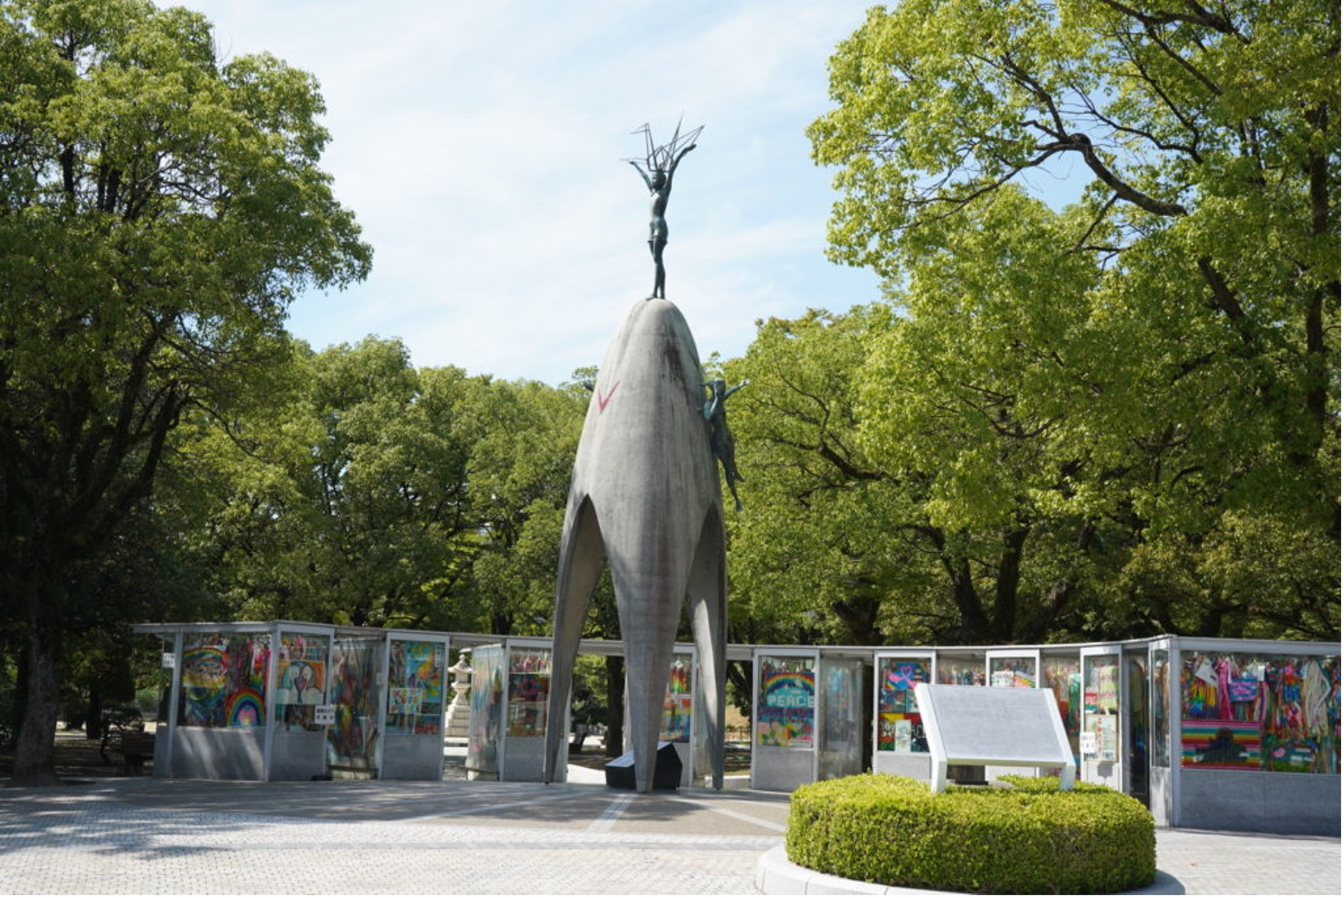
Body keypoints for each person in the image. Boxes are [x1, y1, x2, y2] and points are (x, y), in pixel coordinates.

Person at [629, 141, 695, 298]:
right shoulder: (652, 191)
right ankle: (662, 293)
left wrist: (683, 152)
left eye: (656, 178)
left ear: (662, 180)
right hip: (650, 229)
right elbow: (644, 176)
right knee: (656, 260)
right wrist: (634, 165)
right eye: (653, 178)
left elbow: (672, 170)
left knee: (658, 260)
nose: (653, 179)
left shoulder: (665, 191)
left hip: (660, 227)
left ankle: (656, 292)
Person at [703, 377, 747, 509]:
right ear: (714, 388)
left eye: (723, 386)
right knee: (727, 468)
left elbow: (730, 392)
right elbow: (708, 416)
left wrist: (740, 385)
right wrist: (716, 399)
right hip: (719, 441)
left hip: (727, 437)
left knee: (732, 460)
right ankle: (736, 500)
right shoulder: (710, 403)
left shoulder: (721, 400)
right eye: (719, 386)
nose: (722, 388)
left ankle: (736, 471)